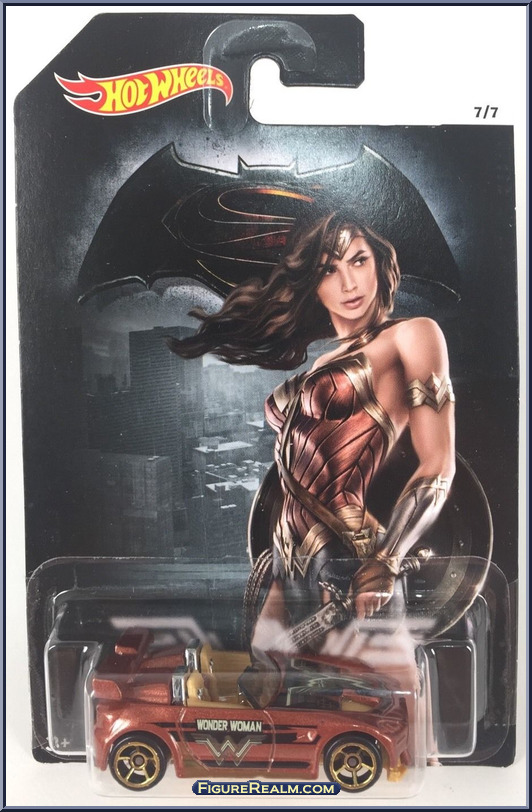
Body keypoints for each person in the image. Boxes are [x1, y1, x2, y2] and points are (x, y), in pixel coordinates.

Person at [167, 209, 455, 758]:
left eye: (359, 261)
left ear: (381, 265)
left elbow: (438, 464)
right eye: (328, 269)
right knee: (275, 699)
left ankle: (432, 781)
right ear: (313, 284)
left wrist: (387, 559)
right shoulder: (326, 358)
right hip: (285, 560)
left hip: (350, 557)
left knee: (397, 701)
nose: (348, 282)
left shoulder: (412, 336)